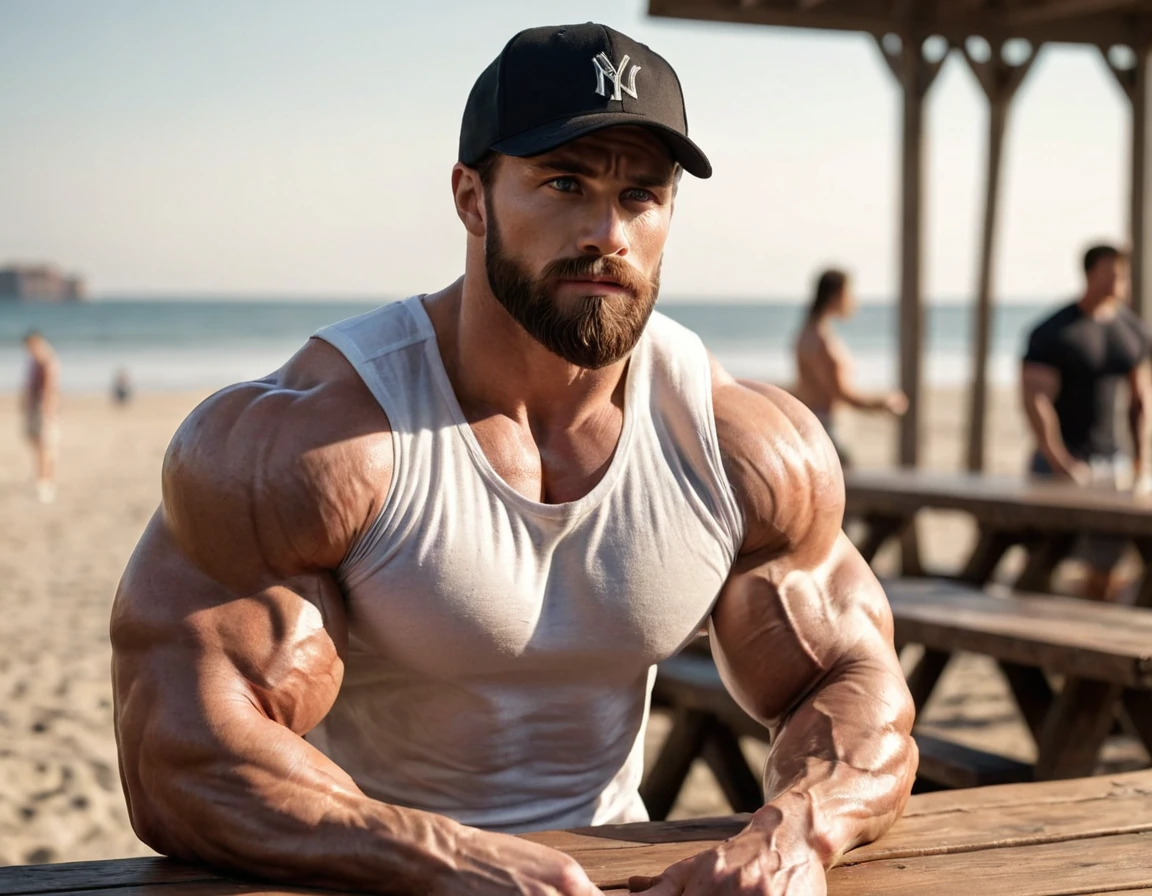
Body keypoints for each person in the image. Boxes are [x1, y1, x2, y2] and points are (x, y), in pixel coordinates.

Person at [111, 24, 916, 896]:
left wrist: (795, 835)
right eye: (564, 183)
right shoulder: (316, 445)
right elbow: (177, 751)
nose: (608, 231)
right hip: (366, 872)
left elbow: (856, 681)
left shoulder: (743, 445)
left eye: (641, 196)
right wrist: (433, 856)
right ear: (471, 198)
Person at [1022, 243, 1152, 602]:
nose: (1117, 281)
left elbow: (1141, 400)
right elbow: (1035, 400)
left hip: (1114, 461)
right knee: (1049, 556)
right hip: (1061, 462)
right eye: (1110, 272)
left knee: (1107, 564)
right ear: (1090, 274)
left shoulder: (1132, 330)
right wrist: (1059, 460)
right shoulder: (1055, 332)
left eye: (1122, 274)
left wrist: (1141, 462)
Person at [793, 268, 908, 467]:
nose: (854, 300)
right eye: (849, 293)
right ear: (837, 295)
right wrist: (883, 403)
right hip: (827, 428)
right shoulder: (822, 341)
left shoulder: (807, 333)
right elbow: (841, 392)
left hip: (812, 423)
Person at [21, 330, 60, 503]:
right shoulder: (36, 361)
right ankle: (43, 480)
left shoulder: (46, 360)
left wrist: (48, 410)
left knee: (45, 447)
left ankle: (45, 483)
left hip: (43, 409)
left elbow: (49, 389)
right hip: (37, 408)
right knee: (39, 445)